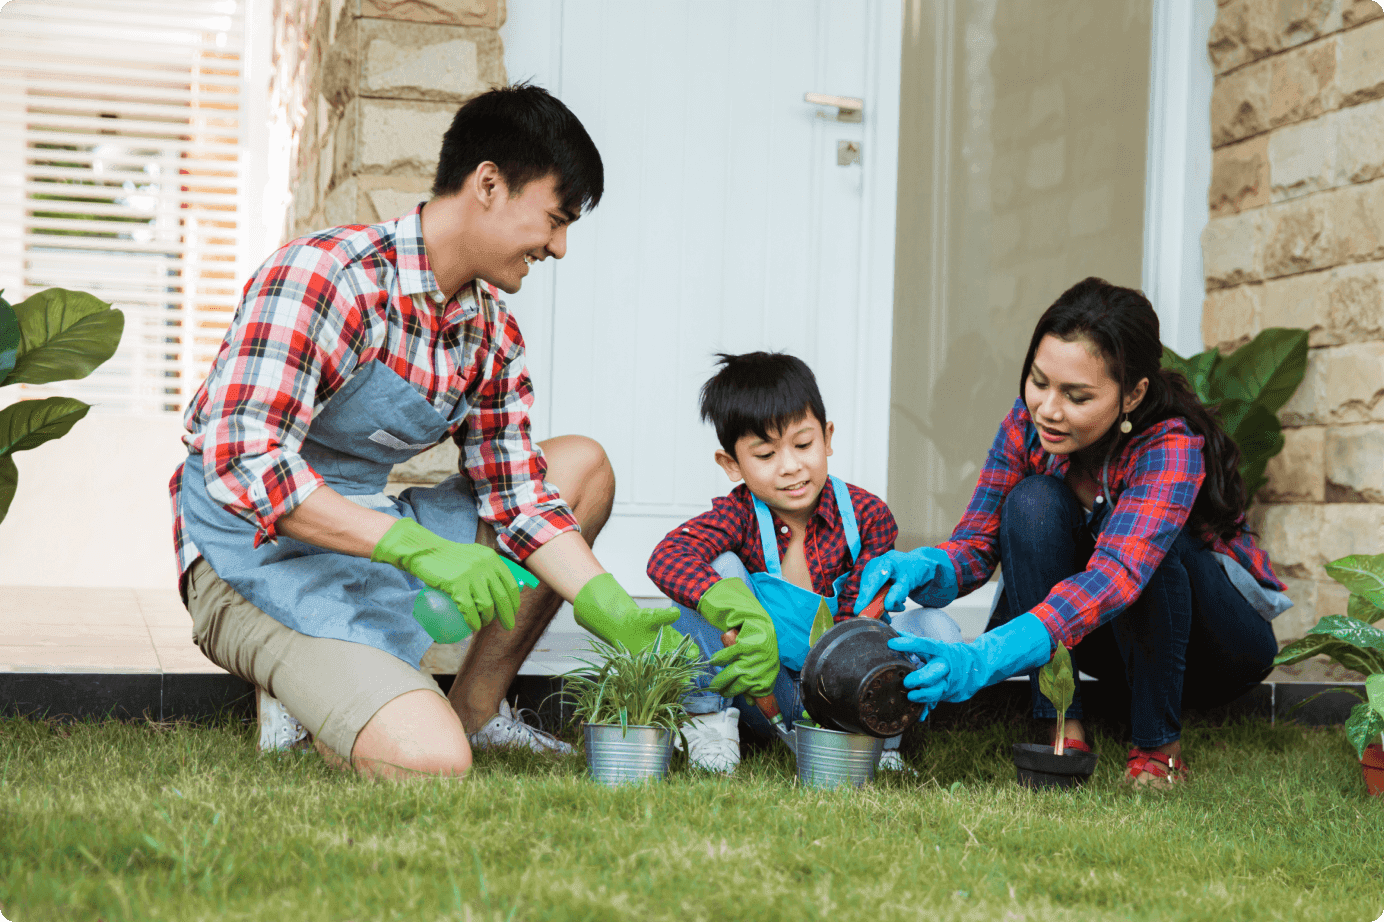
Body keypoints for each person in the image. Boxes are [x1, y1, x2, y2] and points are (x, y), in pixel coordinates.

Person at [169, 84, 683, 780]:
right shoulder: (327, 277)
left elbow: (521, 497)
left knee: (579, 467)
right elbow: (243, 463)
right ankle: (315, 684)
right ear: (490, 185)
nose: (559, 248)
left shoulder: (491, 333)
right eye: (555, 220)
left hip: (369, 537)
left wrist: (603, 600)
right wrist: (415, 548)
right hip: (249, 556)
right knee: (429, 761)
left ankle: (473, 713)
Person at [858, 278, 1291, 787]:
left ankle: (1158, 748)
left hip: (1214, 648)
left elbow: (1117, 577)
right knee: (1031, 503)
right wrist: (921, 569)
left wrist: (984, 657)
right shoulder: (1029, 425)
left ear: (1133, 394)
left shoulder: (1168, 446)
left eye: (1076, 395)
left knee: (1154, 549)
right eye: (1039, 382)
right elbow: (977, 545)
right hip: (1111, 639)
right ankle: (1062, 728)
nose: (1048, 408)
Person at [646, 352, 961, 772]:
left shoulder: (868, 516)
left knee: (937, 628)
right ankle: (710, 724)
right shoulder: (737, 516)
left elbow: (864, 622)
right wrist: (734, 610)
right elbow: (668, 557)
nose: (791, 466)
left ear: (827, 437)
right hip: (765, 689)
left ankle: (879, 740)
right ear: (731, 464)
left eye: (803, 444)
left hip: (850, 692)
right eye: (765, 455)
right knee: (712, 570)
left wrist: (852, 693)